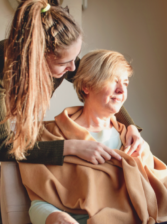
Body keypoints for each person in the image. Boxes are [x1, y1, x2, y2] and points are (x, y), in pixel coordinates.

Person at [19, 49, 167, 224]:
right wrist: (56, 217)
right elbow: (38, 204)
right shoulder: (50, 137)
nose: (122, 91)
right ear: (87, 86)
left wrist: (142, 156)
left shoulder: (130, 138)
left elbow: (158, 197)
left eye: (125, 83)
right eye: (113, 81)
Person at [0, 0, 144, 166]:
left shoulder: (64, 58)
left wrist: (131, 126)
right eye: (63, 63)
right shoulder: (4, 70)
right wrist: (70, 147)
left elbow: (97, 82)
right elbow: (3, 146)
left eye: (74, 58)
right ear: (37, 57)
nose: (73, 68)